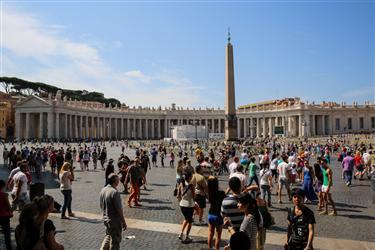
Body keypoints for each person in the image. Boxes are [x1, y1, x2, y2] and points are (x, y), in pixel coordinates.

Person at [100, 173, 127, 250]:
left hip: (106, 219)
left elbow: (101, 205)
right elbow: (119, 209)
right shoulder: (114, 192)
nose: (119, 181)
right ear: (115, 181)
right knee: (115, 241)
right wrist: (123, 222)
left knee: (108, 236)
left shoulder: (103, 189)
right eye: (118, 179)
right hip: (114, 221)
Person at [207, 176, 226, 250]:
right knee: (218, 236)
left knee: (210, 234)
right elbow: (225, 198)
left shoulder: (209, 193)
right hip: (218, 215)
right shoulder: (221, 193)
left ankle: (209, 248)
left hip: (211, 214)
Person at [177, 170, 195, 243]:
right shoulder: (191, 186)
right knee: (190, 221)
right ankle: (187, 237)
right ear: (190, 177)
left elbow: (178, 194)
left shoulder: (182, 183)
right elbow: (194, 197)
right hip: (189, 205)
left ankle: (181, 233)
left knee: (186, 219)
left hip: (182, 204)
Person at [0, 179, 13, 250]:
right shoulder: (4, 195)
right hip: (4, 216)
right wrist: (10, 213)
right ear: (3, 186)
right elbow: (8, 206)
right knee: (7, 233)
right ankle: (9, 247)